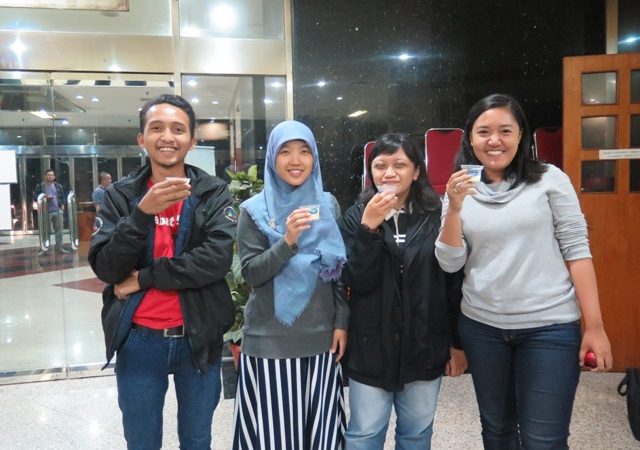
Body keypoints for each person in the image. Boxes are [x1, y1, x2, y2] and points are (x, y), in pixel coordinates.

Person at [435, 93, 613, 449]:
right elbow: (450, 262)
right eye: (484, 132)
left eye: (505, 130)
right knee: (497, 432)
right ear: (470, 138)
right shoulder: (460, 190)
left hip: (549, 328)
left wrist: (594, 326)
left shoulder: (550, 180)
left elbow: (577, 252)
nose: (494, 140)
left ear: (521, 135)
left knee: (543, 440)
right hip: (482, 328)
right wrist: (453, 208)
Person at [88, 94, 237, 450]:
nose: (167, 136)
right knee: (141, 442)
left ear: (192, 140)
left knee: (197, 440)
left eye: (178, 129)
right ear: (142, 138)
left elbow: (215, 260)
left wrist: (143, 278)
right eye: (156, 128)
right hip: (139, 340)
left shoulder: (213, 192)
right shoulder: (120, 196)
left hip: (198, 337)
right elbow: (107, 267)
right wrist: (141, 214)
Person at [338, 133, 467, 450]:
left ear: (417, 171)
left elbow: (452, 282)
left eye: (399, 165)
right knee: (364, 434)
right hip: (370, 347)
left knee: (416, 434)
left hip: (424, 344)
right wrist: (369, 227)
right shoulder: (355, 215)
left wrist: (457, 344)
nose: (389, 173)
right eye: (380, 165)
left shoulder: (437, 214)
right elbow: (357, 280)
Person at [232, 120, 348, 449]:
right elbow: (251, 274)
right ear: (272, 157)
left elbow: (338, 268)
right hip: (269, 343)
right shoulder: (253, 211)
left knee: (322, 437)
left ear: (314, 158)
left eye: (304, 151)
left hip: (321, 342)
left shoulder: (328, 205)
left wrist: (342, 321)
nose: (295, 160)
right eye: (285, 151)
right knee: (276, 438)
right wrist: (288, 241)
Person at [34, 168, 70, 255]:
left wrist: (62, 207)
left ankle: (59, 248)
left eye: (52, 175)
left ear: (54, 177)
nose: (50, 176)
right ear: (45, 176)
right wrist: (45, 197)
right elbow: (35, 197)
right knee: (46, 232)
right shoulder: (40, 186)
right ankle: (45, 249)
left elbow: (62, 198)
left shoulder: (58, 186)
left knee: (59, 231)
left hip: (58, 211)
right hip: (46, 212)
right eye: (49, 175)